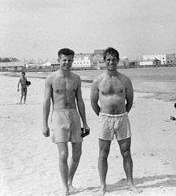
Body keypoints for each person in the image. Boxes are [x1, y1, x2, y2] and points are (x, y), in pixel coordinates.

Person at [90, 47, 142, 195]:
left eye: (113, 59)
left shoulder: (125, 80)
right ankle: (102, 186)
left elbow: (129, 101)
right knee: (103, 153)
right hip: (105, 119)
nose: (111, 62)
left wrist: (121, 114)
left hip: (122, 118)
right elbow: (94, 102)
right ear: (104, 61)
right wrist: (103, 116)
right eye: (108, 59)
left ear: (118, 61)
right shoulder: (98, 80)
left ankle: (130, 183)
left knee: (126, 152)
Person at [42, 48, 90, 196]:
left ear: (72, 61)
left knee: (77, 153)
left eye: (70, 60)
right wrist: (44, 124)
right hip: (58, 115)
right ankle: (65, 187)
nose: (67, 63)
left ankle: (70, 181)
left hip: (74, 115)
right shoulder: (51, 79)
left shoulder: (76, 78)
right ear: (58, 60)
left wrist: (85, 122)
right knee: (63, 154)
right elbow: (46, 102)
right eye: (64, 60)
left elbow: (80, 100)